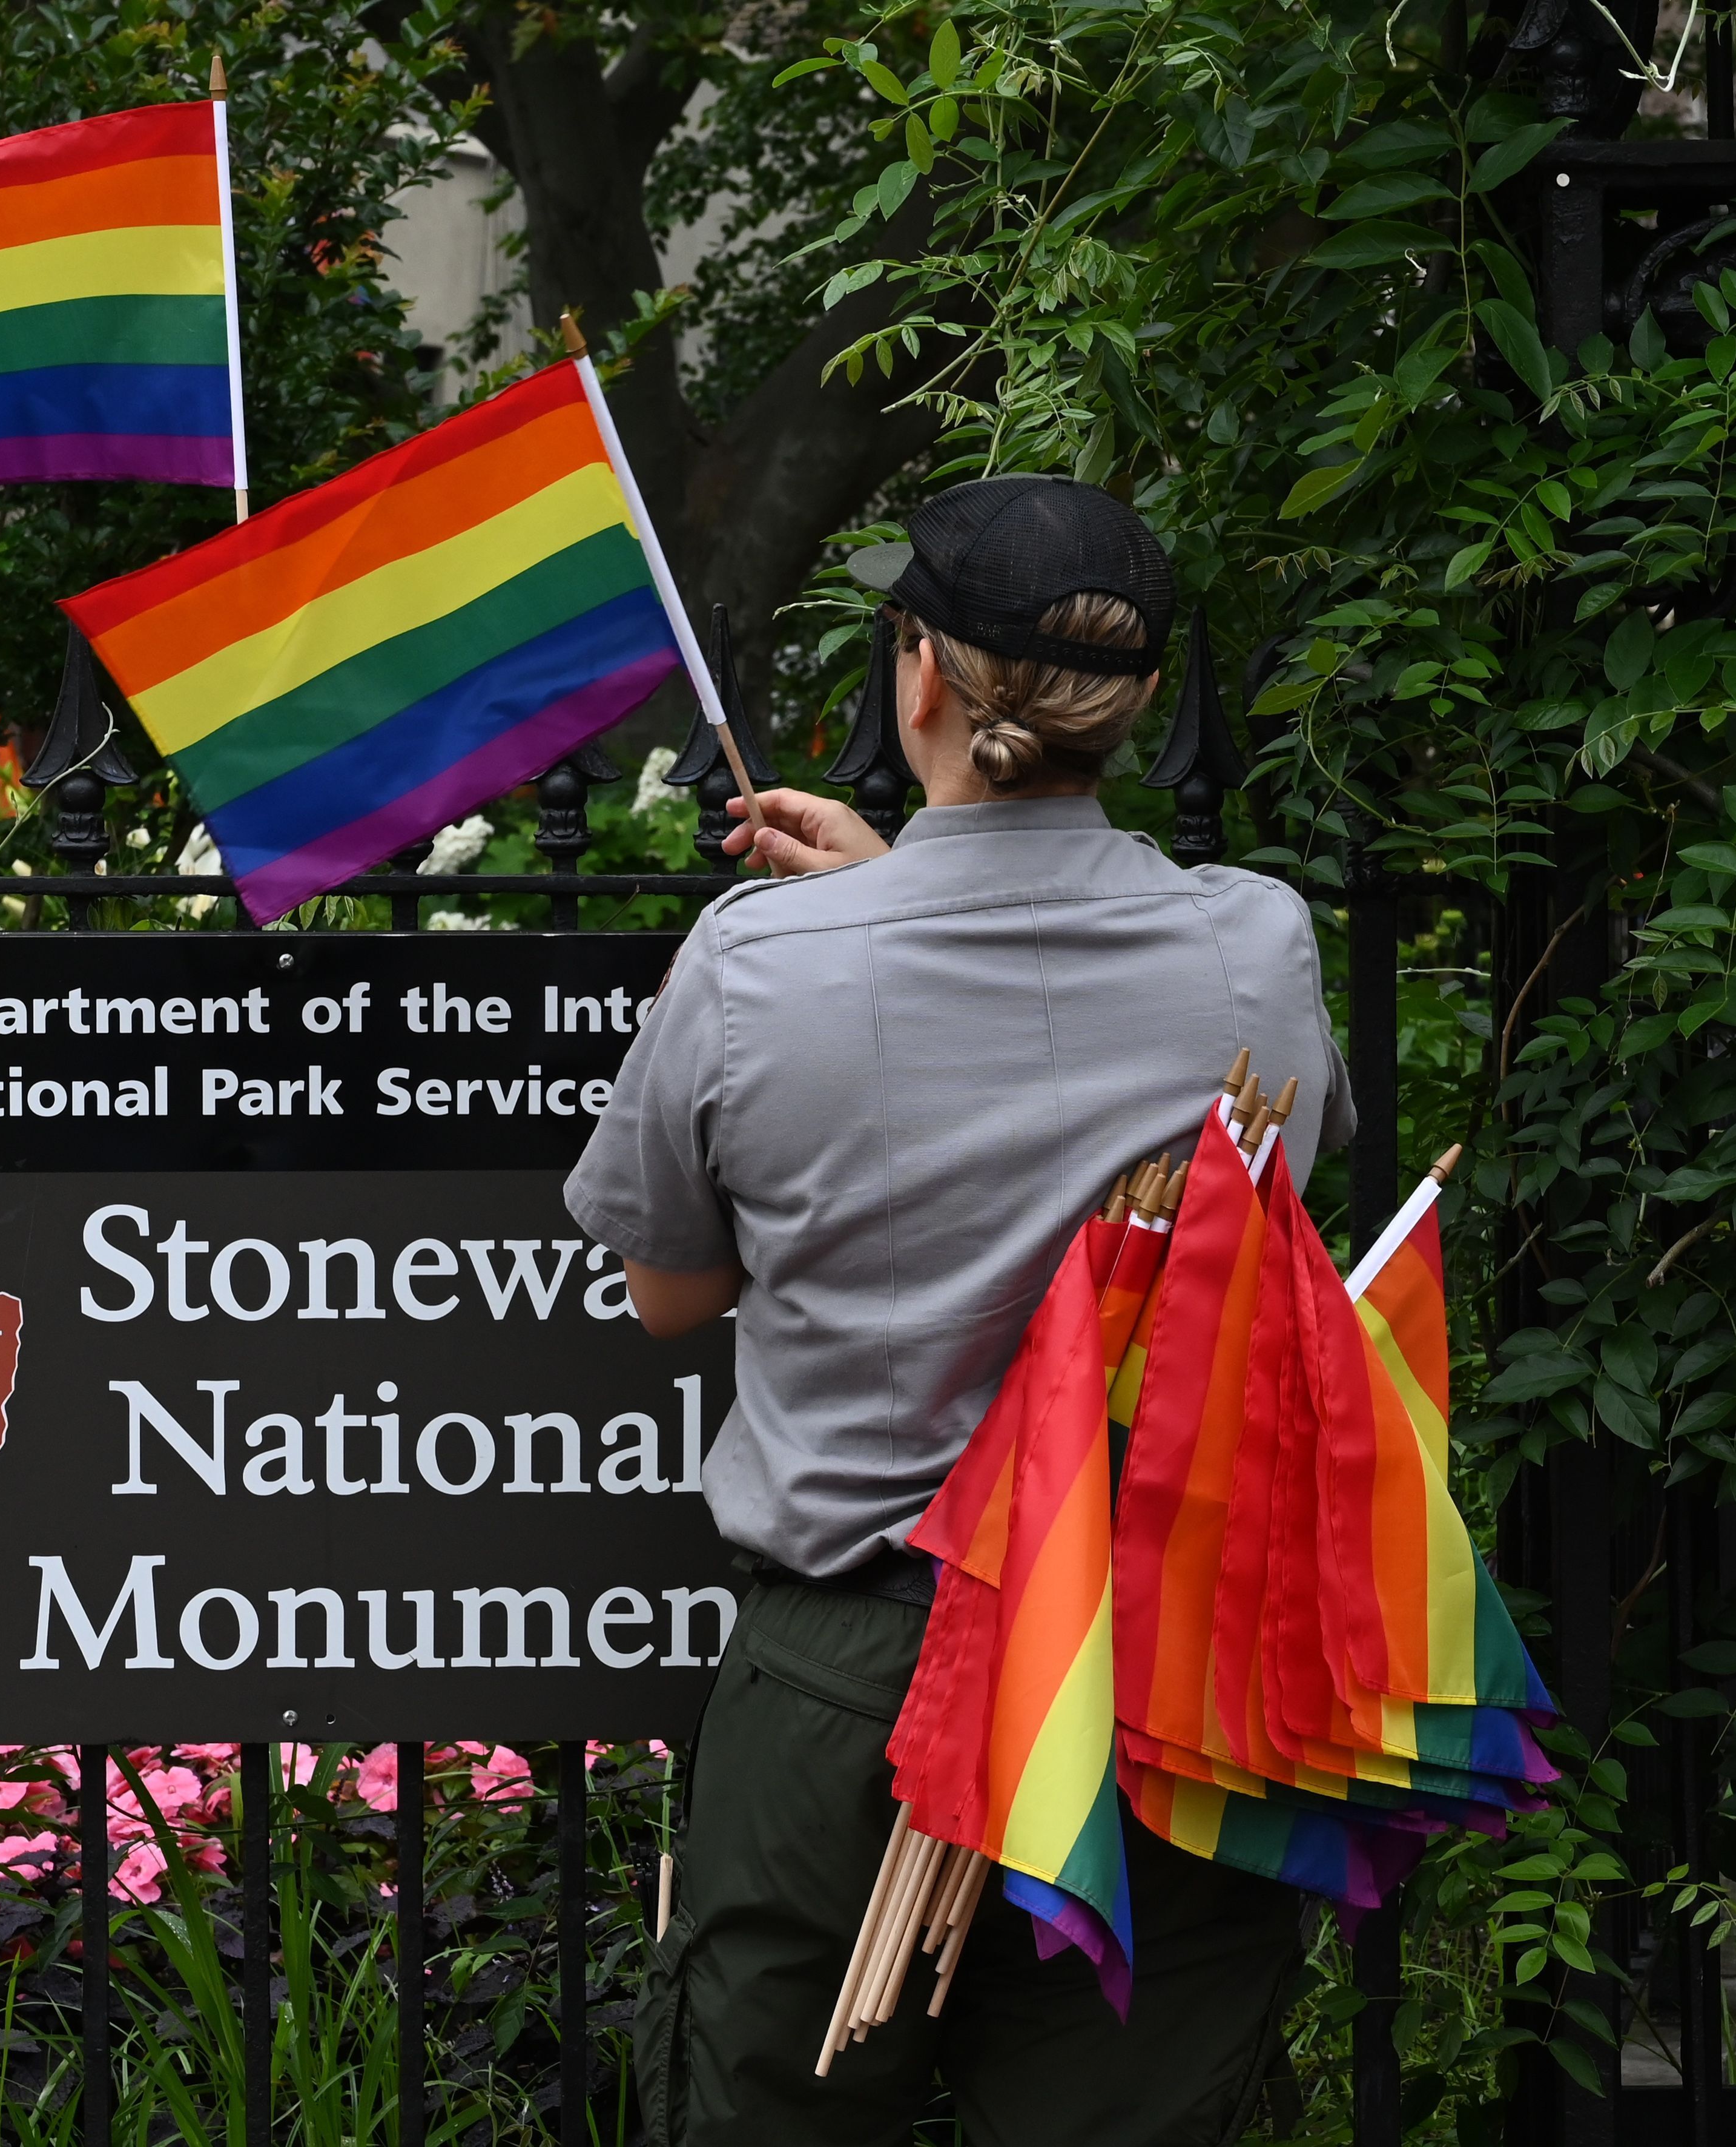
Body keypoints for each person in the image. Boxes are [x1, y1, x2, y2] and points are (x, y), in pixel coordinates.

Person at [562, 475, 1353, 2147]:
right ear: (1133, 708)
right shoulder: (1256, 951)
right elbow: (1264, 1191)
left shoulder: (756, 962)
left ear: (915, 675)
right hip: (1152, 1676)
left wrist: (848, 911)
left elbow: (663, 1291)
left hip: (851, 1664)